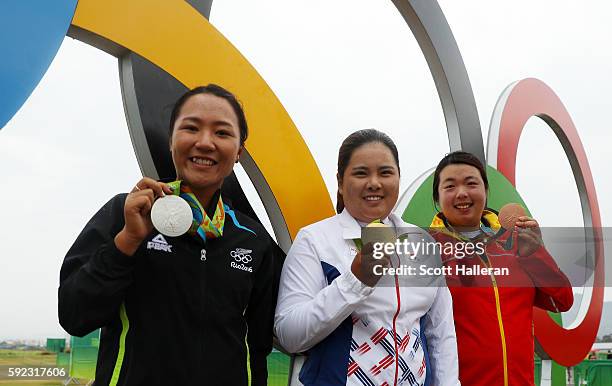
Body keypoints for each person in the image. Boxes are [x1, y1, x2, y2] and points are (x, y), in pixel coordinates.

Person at [58, 85, 278, 386]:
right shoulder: (124, 214)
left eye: (222, 133)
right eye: (191, 128)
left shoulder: (253, 239)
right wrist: (127, 241)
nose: (205, 142)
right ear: (171, 140)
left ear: (238, 152)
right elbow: (74, 315)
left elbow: (258, 346)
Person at [275, 129, 460, 386]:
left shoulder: (422, 242)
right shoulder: (314, 240)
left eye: (385, 173)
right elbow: (289, 335)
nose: (374, 183)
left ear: (398, 177)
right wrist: (355, 281)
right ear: (340, 182)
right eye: (361, 173)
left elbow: (440, 332)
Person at [429, 151, 573, 386]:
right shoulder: (427, 249)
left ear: (486, 191)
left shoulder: (514, 243)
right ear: (438, 197)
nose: (462, 193)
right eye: (450, 186)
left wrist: (535, 252)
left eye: (471, 183)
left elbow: (562, 300)